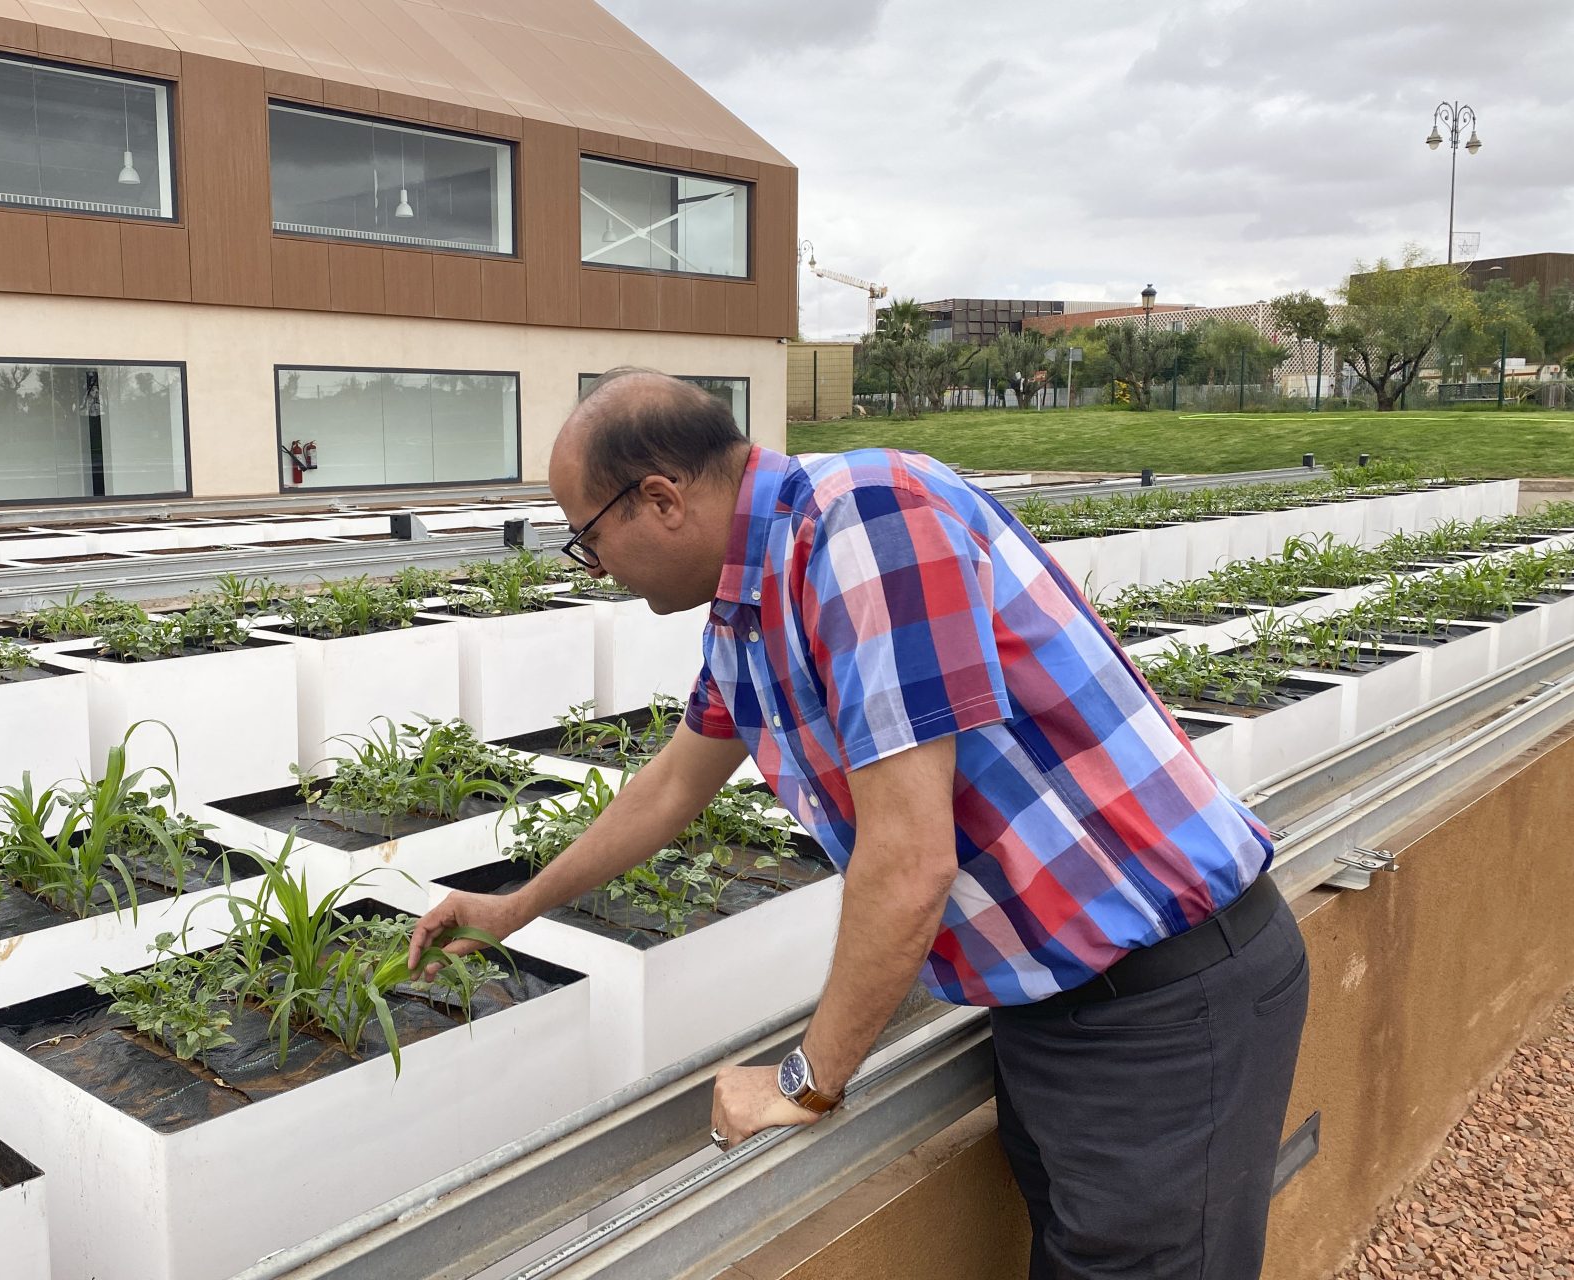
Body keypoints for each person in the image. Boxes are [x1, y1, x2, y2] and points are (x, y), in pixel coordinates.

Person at [409, 369, 1310, 1279]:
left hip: (1161, 1010)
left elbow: (911, 857)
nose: (592, 567)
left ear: (660, 499)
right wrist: (515, 908)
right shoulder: (747, 610)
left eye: (587, 539)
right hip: (1059, 1015)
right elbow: (672, 784)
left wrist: (806, 1081)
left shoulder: (862, 520)